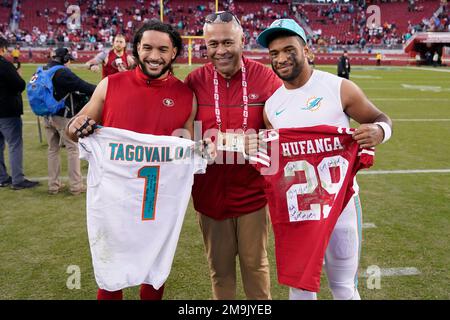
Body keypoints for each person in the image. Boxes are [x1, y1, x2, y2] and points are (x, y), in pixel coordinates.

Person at [66, 20, 209, 301]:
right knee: (110, 275)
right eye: (147, 48)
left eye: (163, 49)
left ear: (174, 53)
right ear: (137, 50)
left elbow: (189, 151)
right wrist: (76, 128)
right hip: (113, 201)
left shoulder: (186, 96)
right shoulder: (111, 85)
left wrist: (202, 150)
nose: (154, 56)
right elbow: (73, 129)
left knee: (155, 271)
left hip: (157, 203)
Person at [255, 19, 392, 300]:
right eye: (274, 53)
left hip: (341, 206)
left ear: (307, 51)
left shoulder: (338, 88)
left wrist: (379, 131)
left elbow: (380, 118)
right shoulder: (272, 106)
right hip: (299, 211)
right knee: (300, 288)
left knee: (343, 286)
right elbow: (275, 162)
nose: (281, 58)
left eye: (288, 49)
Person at [185, 11, 282, 300]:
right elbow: (181, 133)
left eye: (228, 42)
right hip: (209, 193)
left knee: (256, 266)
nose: (220, 50)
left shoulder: (266, 77)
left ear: (243, 40)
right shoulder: (194, 81)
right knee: (220, 270)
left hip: (252, 193)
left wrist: (263, 140)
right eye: (213, 44)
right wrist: (197, 144)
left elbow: (282, 130)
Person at [43, 47, 96, 195]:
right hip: (63, 115)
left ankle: (53, 185)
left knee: (53, 150)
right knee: (73, 148)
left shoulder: (44, 68)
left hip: (47, 116)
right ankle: (76, 186)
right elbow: (83, 86)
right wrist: (102, 90)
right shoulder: (63, 72)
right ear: (65, 59)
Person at [0, 37, 39, 190]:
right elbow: (20, 85)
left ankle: (2, 178)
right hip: (7, 111)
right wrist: (18, 75)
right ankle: (17, 180)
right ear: (2, 48)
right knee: (15, 144)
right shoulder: (5, 65)